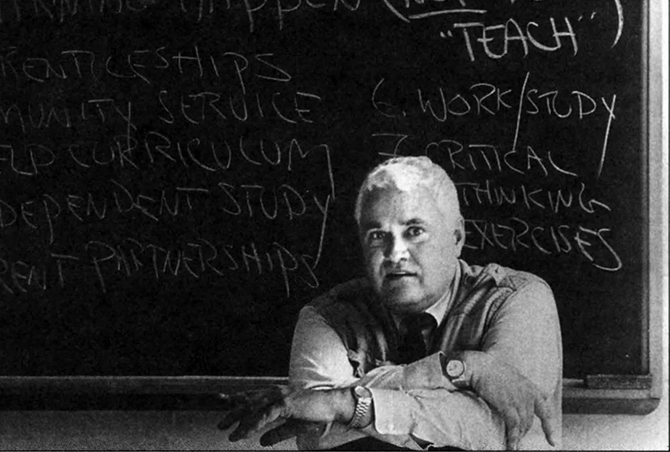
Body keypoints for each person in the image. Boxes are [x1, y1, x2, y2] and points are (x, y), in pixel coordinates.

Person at [219, 156, 562, 450]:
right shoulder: (325, 318)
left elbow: (495, 430)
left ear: (457, 237)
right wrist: (461, 369)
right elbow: (316, 433)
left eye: (414, 231)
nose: (395, 253)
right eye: (378, 235)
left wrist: (344, 402)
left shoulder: (518, 298)